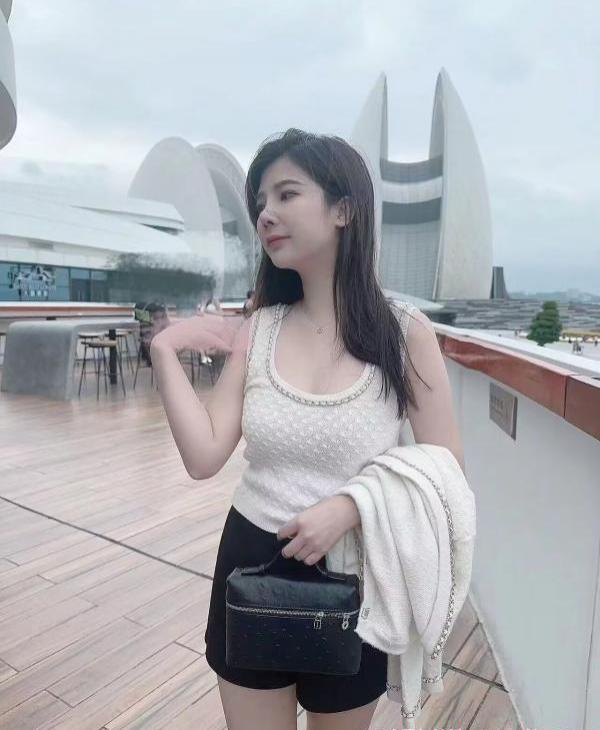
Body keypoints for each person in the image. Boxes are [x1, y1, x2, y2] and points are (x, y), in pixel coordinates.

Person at [150, 128, 464, 730]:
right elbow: (203, 456)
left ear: (344, 209)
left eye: (286, 194)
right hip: (251, 567)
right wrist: (165, 351)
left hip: (357, 576)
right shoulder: (259, 329)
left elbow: (448, 467)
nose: (266, 214)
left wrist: (351, 506)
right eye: (260, 203)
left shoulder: (404, 334)